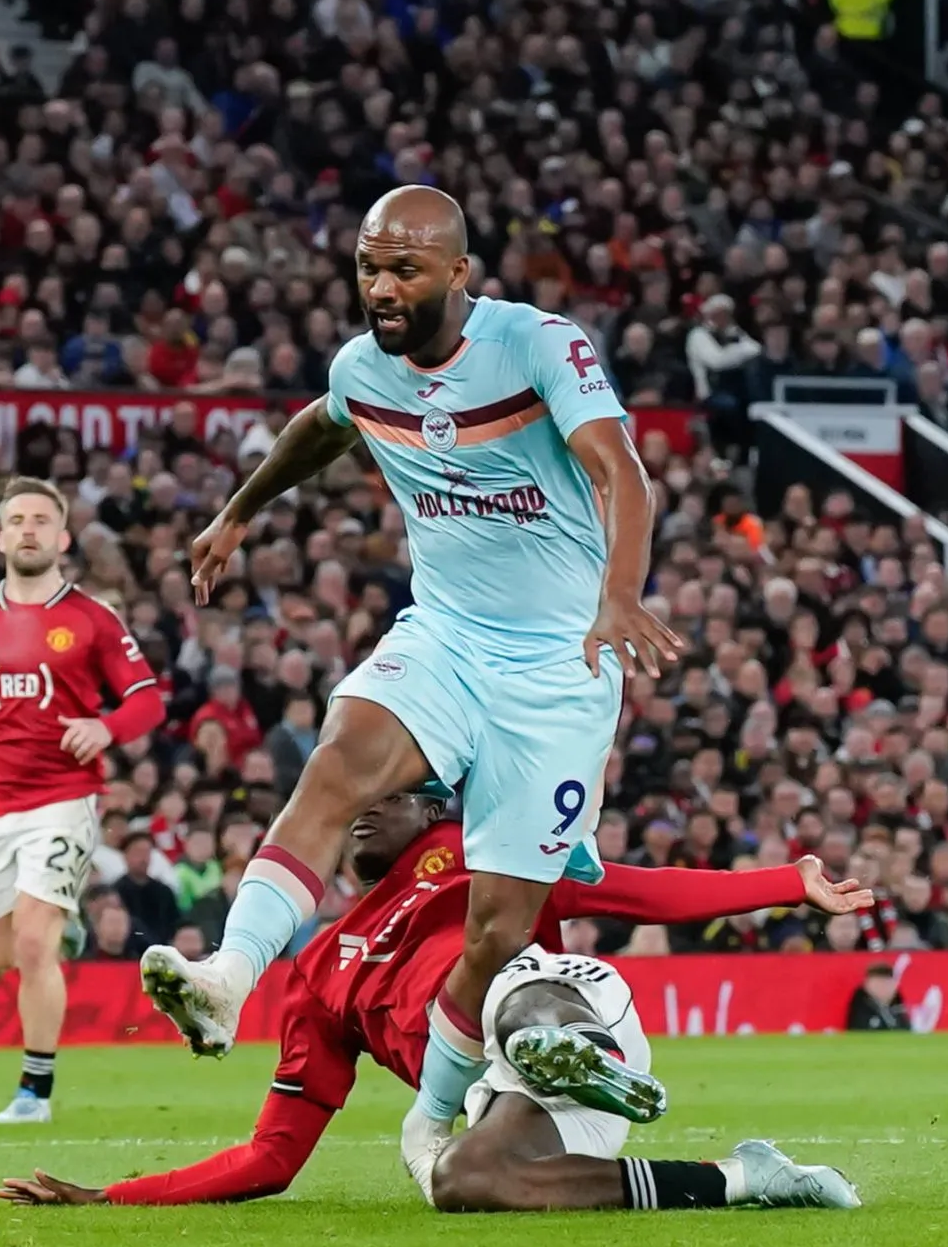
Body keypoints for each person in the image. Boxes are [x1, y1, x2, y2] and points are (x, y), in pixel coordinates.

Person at [137, 185, 682, 1194]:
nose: (381, 288)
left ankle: (432, 1118)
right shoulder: (362, 367)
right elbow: (323, 424)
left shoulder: (536, 346)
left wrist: (618, 595)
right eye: (368, 268)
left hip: (558, 664)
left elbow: (619, 469)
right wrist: (238, 512)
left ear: (457, 272)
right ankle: (226, 975)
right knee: (336, 765)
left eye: (404, 269)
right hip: (445, 636)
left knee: (496, 931)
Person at [0, 790, 864, 1211]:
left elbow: (637, 891)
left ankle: (566, 1046)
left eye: (391, 795)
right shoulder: (317, 973)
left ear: (431, 808)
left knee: (499, 979)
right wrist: (115, 1195)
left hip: (569, 1000)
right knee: (463, 1181)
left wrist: (789, 883)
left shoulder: (483, 850)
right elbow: (272, 1156)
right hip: (517, 1101)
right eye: (359, 799)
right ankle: (747, 1176)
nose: (365, 808)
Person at [0, 477, 166, 1123]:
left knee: (34, 942)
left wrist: (106, 728)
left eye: (42, 520)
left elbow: (147, 699)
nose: (29, 530)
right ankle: (61, 926)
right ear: (0, 537)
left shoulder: (92, 618)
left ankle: (33, 1092)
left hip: (63, 798)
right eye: (17, 520)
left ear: (63, 538)